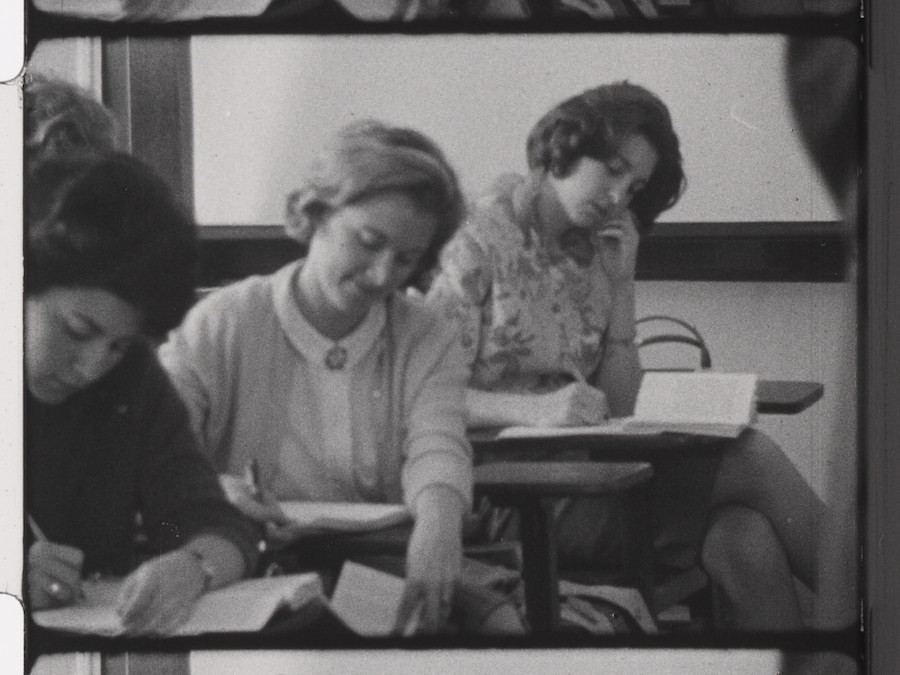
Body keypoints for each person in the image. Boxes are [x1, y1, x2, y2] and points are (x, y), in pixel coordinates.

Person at [425, 82, 826, 631]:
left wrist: (622, 284)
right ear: (562, 146)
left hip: (587, 475)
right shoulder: (473, 241)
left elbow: (618, 402)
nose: (618, 195)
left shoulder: (593, 247)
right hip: (498, 493)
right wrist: (534, 411)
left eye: (633, 185)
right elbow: (423, 395)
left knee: (743, 536)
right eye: (612, 168)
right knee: (750, 458)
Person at [158, 120, 520, 634]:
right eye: (369, 241)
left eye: (406, 259)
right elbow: (156, 458)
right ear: (317, 213)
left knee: (490, 623)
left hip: (372, 563)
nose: (381, 275)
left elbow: (437, 442)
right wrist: (215, 490)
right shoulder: (224, 321)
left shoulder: (425, 335)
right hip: (245, 562)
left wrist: (439, 524)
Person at [25, 152, 260, 639]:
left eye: (118, 343)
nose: (92, 367)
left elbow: (196, 517)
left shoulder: (129, 385)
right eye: (77, 329)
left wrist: (190, 562)